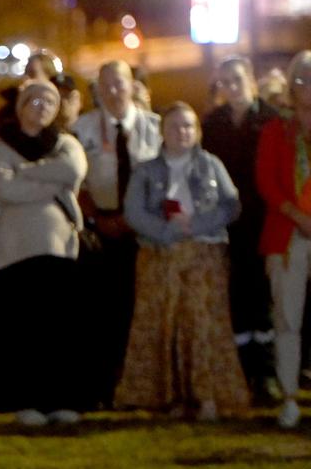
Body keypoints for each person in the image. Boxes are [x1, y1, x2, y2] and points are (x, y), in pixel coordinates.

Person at [116, 102, 248, 420]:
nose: (182, 132)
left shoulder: (211, 165)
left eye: (188, 126)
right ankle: (169, 396)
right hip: (159, 256)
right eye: (175, 126)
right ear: (163, 132)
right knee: (166, 325)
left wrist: (200, 224)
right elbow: (133, 212)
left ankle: (207, 396)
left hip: (205, 254)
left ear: (197, 131)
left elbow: (231, 205)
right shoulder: (146, 171)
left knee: (203, 325)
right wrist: (165, 232)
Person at [0, 79, 88, 426]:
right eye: (34, 100)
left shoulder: (65, 144)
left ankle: (61, 398)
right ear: (21, 106)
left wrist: (26, 174)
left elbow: (72, 171)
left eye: (48, 101)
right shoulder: (1, 146)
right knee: (24, 326)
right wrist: (47, 181)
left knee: (60, 326)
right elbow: (3, 186)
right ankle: (26, 399)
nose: (41, 107)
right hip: (15, 249)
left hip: (59, 247)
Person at [72, 60, 162, 409]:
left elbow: (163, 179)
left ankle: (141, 385)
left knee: (140, 309)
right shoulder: (83, 129)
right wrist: (97, 218)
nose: (113, 91)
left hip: (143, 231)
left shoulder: (154, 127)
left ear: (132, 85)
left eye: (119, 83)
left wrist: (135, 218)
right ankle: (102, 386)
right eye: (105, 84)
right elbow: (76, 181)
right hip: (101, 229)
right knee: (102, 311)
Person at [201, 56, 282, 403]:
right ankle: (240, 372)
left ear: (250, 78)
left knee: (262, 298)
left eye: (236, 79)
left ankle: (265, 373)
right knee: (235, 297)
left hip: (264, 219)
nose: (230, 87)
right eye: (223, 82)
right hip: (227, 222)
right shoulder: (214, 123)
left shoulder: (270, 120)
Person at [256, 51, 311, 428]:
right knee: (287, 318)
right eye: (301, 80)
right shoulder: (277, 129)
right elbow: (266, 181)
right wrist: (297, 216)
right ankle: (289, 396)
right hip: (287, 235)